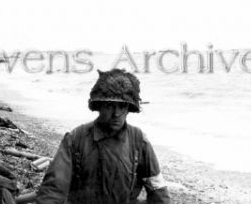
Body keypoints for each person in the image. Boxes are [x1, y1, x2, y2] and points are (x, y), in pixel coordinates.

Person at [36, 69, 171, 204]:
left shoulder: (138, 140)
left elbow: (157, 190)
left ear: (129, 108)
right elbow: (54, 188)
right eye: (109, 106)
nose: (116, 113)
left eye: (122, 106)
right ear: (99, 106)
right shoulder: (76, 138)